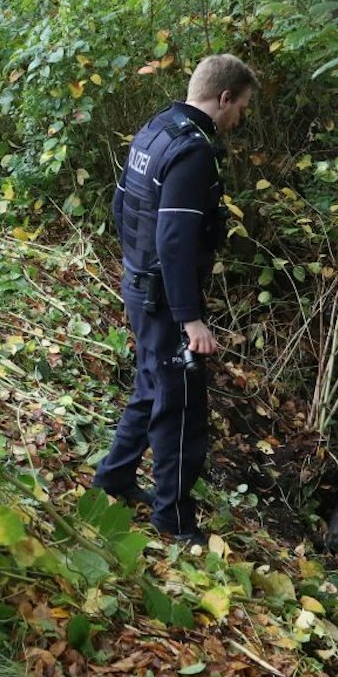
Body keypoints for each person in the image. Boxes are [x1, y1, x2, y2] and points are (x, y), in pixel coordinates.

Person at [91, 54, 255, 546]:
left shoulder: (156, 130)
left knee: (150, 386)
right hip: (164, 298)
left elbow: (122, 205)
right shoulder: (193, 151)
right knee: (182, 408)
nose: (238, 119)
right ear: (223, 97)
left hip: (141, 285)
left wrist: (136, 269)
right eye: (240, 107)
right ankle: (174, 521)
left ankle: (114, 479)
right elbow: (177, 239)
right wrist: (191, 320)